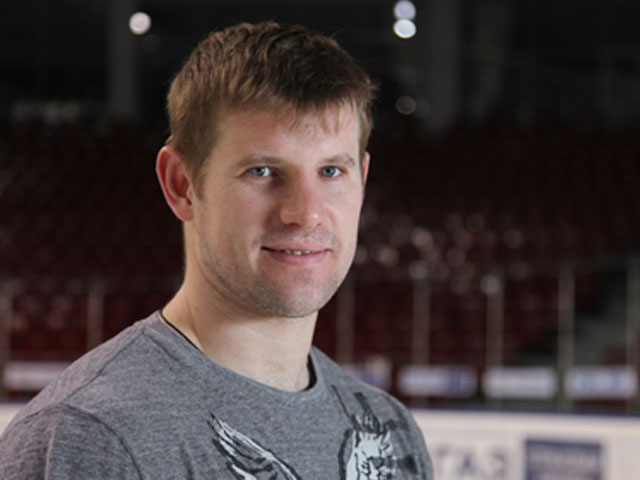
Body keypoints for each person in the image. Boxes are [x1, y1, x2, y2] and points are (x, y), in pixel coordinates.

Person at [0, 21, 433, 479]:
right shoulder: (92, 437)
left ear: (362, 178)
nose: (306, 214)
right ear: (182, 185)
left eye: (331, 172)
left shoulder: (392, 434)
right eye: (262, 171)